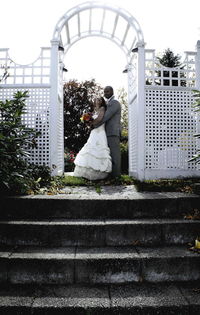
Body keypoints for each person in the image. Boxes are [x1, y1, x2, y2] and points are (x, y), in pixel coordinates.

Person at [73, 97, 112, 180]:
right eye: (96, 100)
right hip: (94, 132)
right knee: (90, 149)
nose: (98, 101)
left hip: (100, 131)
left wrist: (91, 124)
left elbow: (100, 118)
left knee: (99, 149)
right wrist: (87, 122)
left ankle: (99, 173)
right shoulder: (94, 110)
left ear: (102, 102)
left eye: (99, 100)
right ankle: (87, 173)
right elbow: (92, 119)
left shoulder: (102, 108)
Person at [93, 86, 121, 178]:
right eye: (104, 92)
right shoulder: (107, 103)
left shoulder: (114, 103)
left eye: (107, 91)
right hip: (106, 133)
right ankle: (110, 175)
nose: (105, 93)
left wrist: (93, 125)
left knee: (115, 154)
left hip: (112, 132)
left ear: (112, 91)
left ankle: (116, 176)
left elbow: (106, 117)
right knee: (109, 155)